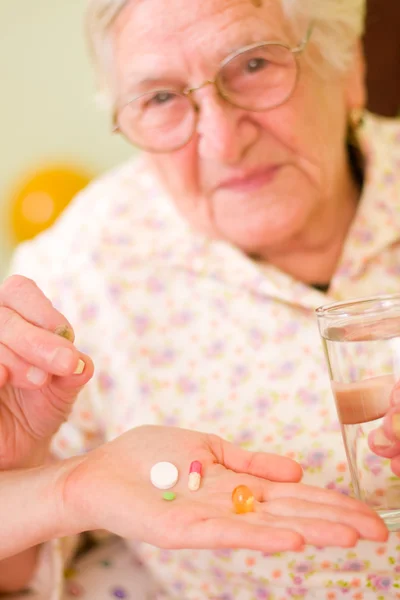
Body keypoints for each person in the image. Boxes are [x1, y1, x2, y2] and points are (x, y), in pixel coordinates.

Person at [2, 0, 400, 597]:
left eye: (254, 65)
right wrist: (46, 478)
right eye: (160, 98)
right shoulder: (77, 272)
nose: (221, 140)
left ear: (347, 70)